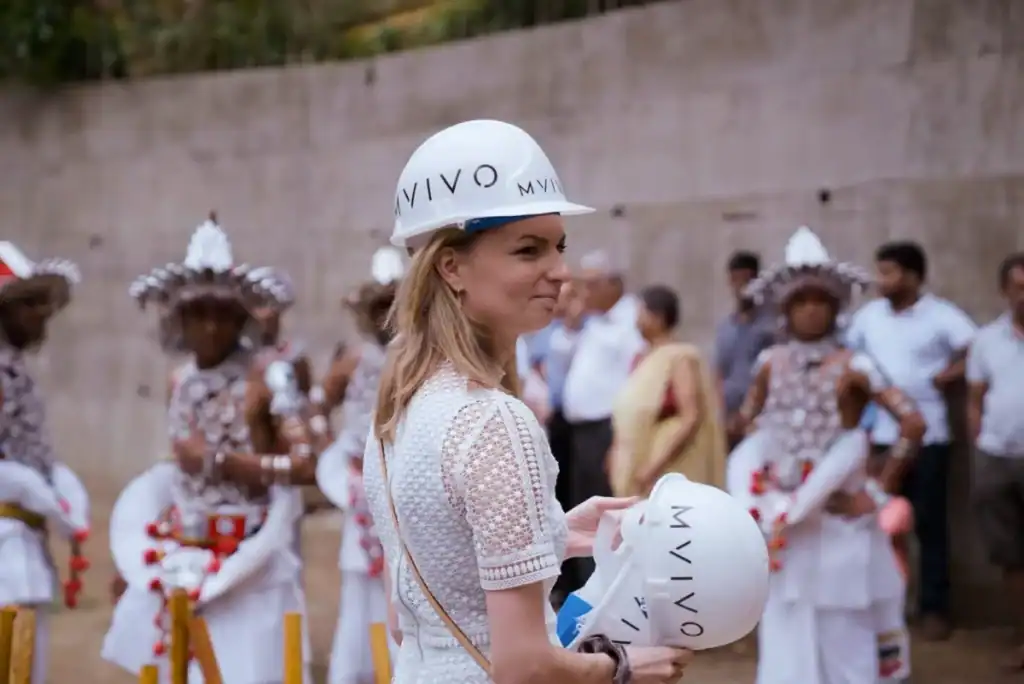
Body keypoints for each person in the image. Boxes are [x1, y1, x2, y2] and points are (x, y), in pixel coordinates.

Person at [362, 119, 692, 684]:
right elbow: (522, 666)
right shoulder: (493, 420)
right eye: (527, 249)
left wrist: (553, 533)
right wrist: (621, 667)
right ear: (452, 267)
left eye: (559, 246)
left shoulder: (399, 410)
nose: (560, 272)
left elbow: (409, 611)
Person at [103, 217, 324, 682]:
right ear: (177, 318)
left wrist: (223, 461)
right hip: (187, 555)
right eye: (197, 312)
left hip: (251, 561)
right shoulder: (178, 381)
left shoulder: (269, 376)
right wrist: (142, 557)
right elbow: (181, 471)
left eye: (222, 313)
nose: (209, 325)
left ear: (242, 317)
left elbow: (308, 463)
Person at [728, 226, 926, 684]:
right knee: (783, 623)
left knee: (845, 631)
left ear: (836, 307)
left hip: (838, 522)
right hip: (784, 525)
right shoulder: (769, 363)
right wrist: (760, 483)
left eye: (821, 300)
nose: (811, 310)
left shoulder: (853, 365)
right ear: (785, 308)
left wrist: (875, 493)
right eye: (801, 301)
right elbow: (744, 425)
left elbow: (912, 423)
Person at [847, 240, 977, 641]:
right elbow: (849, 358)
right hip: (880, 438)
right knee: (879, 523)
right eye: (879, 270)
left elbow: (977, 348)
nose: (880, 280)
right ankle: (885, 607)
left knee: (930, 524)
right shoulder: (869, 317)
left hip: (930, 435)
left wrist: (950, 375)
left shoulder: (941, 316)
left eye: (889, 272)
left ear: (914, 275)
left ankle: (934, 609)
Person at [0, 243, 88, 684]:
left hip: (24, 542)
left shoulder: (17, 371)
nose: (42, 314)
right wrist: (29, 488)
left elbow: (31, 452)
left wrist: (61, 487)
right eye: (30, 304)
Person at [316, 247, 403, 684]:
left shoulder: (416, 356)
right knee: (358, 577)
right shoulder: (353, 357)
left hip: (403, 483)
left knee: (401, 578)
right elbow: (318, 405)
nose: (386, 316)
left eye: (394, 305)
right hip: (357, 483)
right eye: (379, 307)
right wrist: (323, 445)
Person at [549, 249, 644, 592]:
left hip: (608, 429)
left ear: (613, 284)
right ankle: (587, 584)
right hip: (580, 431)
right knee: (582, 507)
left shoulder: (632, 320)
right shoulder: (593, 322)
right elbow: (561, 354)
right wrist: (572, 323)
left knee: (607, 512)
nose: (583, 294)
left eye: (591, 285)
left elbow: (635, 377)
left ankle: (611, 585)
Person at [609, 284, 726, 497]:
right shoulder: (642, 357)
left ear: (658, 317)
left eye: (640, 313)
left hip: (670, 466)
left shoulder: (680, 357)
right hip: (638, 460)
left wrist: (654, 466)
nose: (636, 321)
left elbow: (690, 416)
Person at [967, 252, 1024, 670]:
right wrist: (980, 444)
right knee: (1011, 557)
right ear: (1005, 291)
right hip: (997, 460)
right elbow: (975, 399)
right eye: (1017, 288)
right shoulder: (986, 341)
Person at [714, 251, 776, 451]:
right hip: (727, 418)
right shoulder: (725, 327)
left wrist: (748, 415)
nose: (742, 287)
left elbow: (772, 373)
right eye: (736, 280)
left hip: (759, 417)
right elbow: (718, 372)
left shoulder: (771, 327)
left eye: (747, 280)